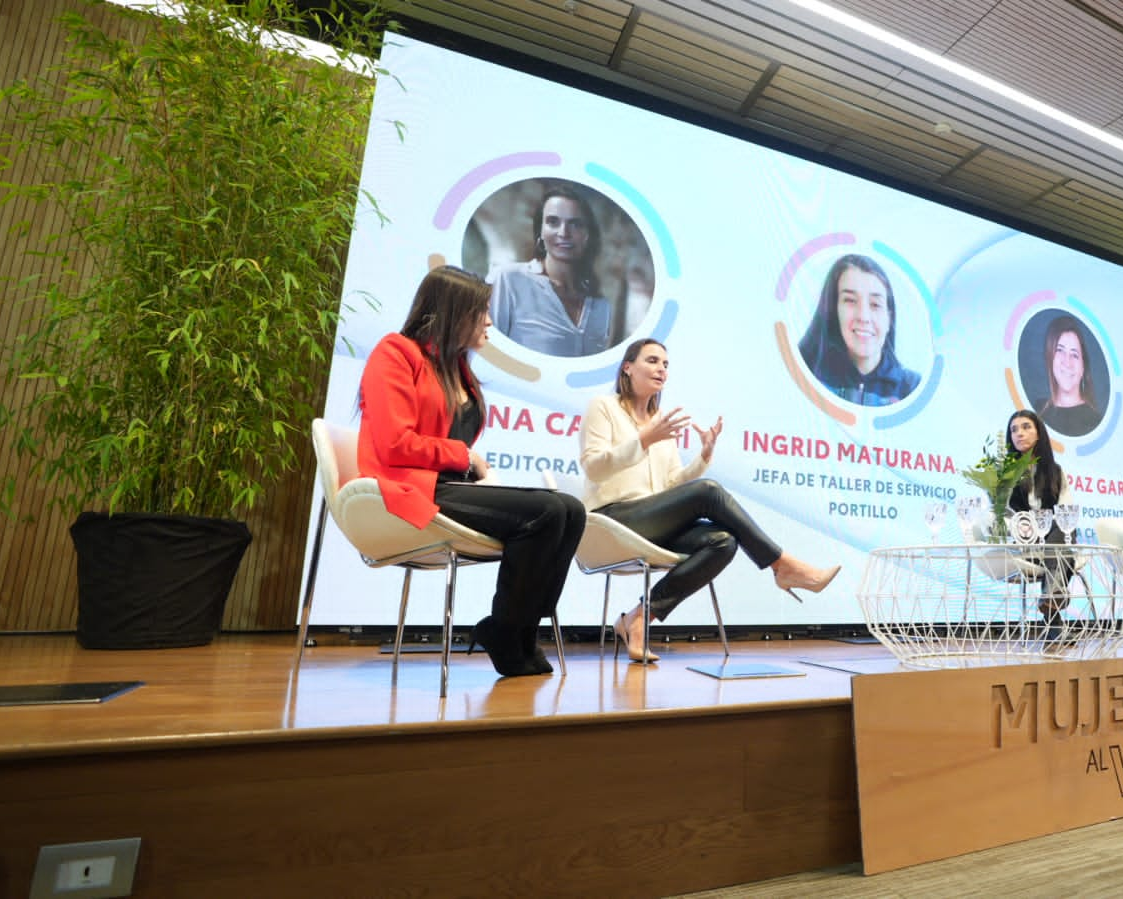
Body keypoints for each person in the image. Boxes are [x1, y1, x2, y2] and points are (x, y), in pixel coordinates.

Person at [358, 265, 587, 676]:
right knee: (547, 512)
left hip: (449, 487)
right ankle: (505, 630)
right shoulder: (395, 353)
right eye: (480, 311)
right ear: (452, 312)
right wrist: (464, 457)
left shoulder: (458, 368)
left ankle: (518, 630)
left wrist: (464, 463)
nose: (490, 321)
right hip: (411, 489)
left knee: (571, 510)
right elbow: (394, 444)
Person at [581, 338, 841, 662]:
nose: (661, 368)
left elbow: (671, 484)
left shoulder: (661, 421)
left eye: (665, 363)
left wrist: (703, 457)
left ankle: (638, 619)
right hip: (612, 519)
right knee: (708, 492)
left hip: (650, 520)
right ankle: (783, 565)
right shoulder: (603, 407)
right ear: (627, 367)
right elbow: (593, 466)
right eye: (651, 360)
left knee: (723, 541)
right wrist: (644, 439)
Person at [487, 183, 614, 356]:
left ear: (588, 235)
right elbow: (488, 351)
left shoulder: (601, 305)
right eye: (553, 222)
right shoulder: (508, 279)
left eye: (575, 224)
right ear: (540, 231)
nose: (563, 232)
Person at [798, 254, 921, 406]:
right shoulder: (804, 374)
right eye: (850, 300)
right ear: (833, 310)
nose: (863, 316)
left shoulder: (913, 389)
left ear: (889, 318)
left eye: (875, 304)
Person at [1005, 410, 1077, 611]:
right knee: (1064, 554)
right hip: (1023, 544)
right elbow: (1001, 515)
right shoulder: (1004, 474)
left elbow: (1066, 512)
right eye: (1014, 430)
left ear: (1039, 434)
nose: (1019, 433)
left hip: (1052, 542)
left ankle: (1051, 598)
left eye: (1026, 427)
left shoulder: (1055, 471)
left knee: (1062, 527)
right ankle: (1054, 595)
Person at [1036, 316, 1103, 436]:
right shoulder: (1037, 414)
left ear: (1083, 367)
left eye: (1074, 354)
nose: (1067, 362)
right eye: (1060, 350)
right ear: (1050, 357)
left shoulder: (1096, 422)